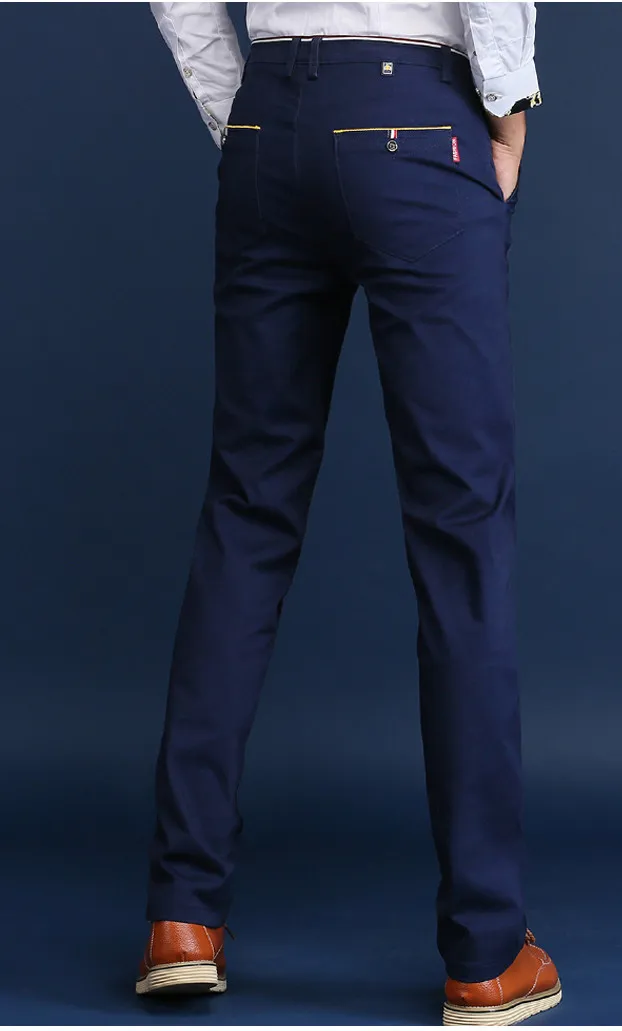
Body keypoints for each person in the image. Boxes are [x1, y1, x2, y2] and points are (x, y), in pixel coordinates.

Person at [138, 2, 561, 1024]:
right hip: (418, 122)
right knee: (460, 533)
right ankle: (484, 950)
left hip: (267, 126)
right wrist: (507, 111)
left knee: (246, 512)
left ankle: (182, 915)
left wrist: (241, 113)